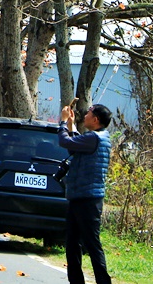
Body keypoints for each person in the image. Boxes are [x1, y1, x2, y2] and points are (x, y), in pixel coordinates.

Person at [58, 102, 113, 284]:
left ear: (95, 119)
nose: (85, 115)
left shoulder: (95, 138)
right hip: (80, 196)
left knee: (91, 244)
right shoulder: (97, 137)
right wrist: (70, 125)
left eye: (89, 113)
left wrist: (63, 121)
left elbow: (65, 142)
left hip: (88, 199)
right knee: (72, 243)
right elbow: (76, 146)